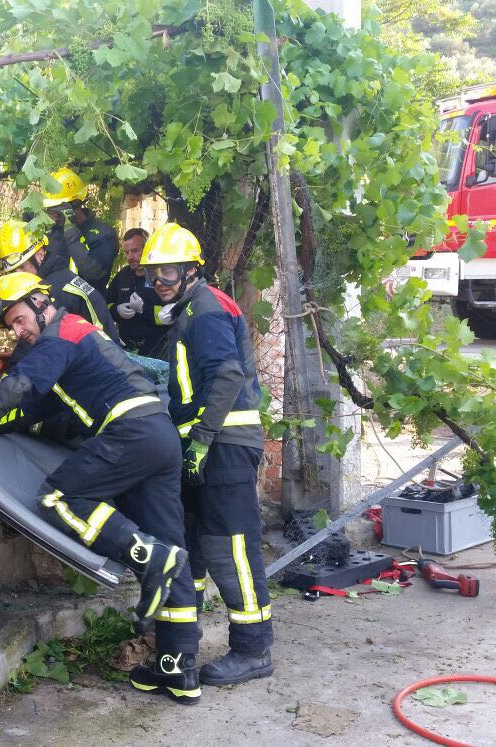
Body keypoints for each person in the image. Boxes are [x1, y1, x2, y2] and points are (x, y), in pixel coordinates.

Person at [0, 272, 201, 701]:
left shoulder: (58, 335)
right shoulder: (75, 336)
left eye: (18, 319)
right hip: (159, 437)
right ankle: (179, 668)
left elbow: (16, 388)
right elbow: (31, 407)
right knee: (172, 548)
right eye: (11, 326)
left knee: (57, 498)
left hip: (129, 434)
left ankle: (149, 556)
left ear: (40, 302)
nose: (18, 331)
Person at [140, 222, 274, 688]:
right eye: (152, 275)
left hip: (224, 449)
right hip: (206, 449)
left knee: (230, 547)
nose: (159, 283)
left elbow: (226, 375)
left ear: (192, 271)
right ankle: (181, 642)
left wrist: (200, 440)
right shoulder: (190, 310)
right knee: (194, 546)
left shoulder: (206, 310)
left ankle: (253, 650)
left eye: (168, 273)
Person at [0, 220, 120, 343]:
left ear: (40, 255)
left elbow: (41, 349)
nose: (17, 277)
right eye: (10, 273)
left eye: (22, 267)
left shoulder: (49, 291)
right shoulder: (61, 277)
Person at [40, 167, 119, 292]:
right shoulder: (52, 234)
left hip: (87, 306)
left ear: (75, 204)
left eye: (57, 210)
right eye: (50, 211)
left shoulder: (103, 234)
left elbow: (93, 273)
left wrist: (70, 232)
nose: (53, 216)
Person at [106, 227, 166, 357]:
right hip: (126, 351)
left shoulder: (161, 276)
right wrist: (117, 310)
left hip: (156, 353)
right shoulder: (123, 275)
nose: (130, 257)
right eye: (126, 253)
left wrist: (144, 309)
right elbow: (107, 304)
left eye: (135, 251)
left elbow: (171, 315)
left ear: (147, 249)